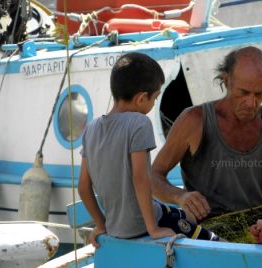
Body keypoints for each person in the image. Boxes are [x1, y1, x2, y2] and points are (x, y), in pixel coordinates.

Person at [152, 46, 262, 221]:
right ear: (226, 80)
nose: (250, 103)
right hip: (210, 239)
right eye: (243, 92)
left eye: (259, 94)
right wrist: (180, 196)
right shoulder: (194, 121)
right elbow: (153, 177)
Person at [78, 52, 219, 248]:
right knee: (214, 240)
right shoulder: (139, 123)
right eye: (154, 98)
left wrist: (102, 225)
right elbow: (141, 179)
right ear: (142, 98)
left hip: (116, 226)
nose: (153, 105)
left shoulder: (91, 129)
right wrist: (153, 228)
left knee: (188, 216)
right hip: (143, 224)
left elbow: (83, 187)